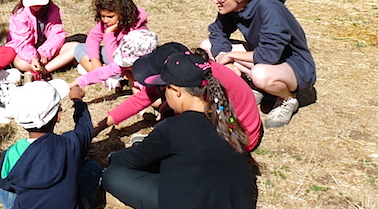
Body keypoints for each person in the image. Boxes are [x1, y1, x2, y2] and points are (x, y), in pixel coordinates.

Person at [102, 52, 257, 209]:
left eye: (164, 88)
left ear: (175, 90)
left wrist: (112, 157)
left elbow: (130, 160)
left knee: (113, 175)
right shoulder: (226, 115)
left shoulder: (172, 129)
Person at [201, 0, 316, 128]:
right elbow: (217, 32)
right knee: (208, 46)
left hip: (295, 66)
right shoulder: (233, 6)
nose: (215, 1)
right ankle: (259, 88)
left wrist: (231, 56)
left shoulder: (269, 8)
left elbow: (269, 55)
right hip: (267, 57)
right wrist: (222, 55)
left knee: (260, 74)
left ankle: (288, 99)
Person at [94, 42, 263, 152]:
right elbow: (141, 99)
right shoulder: (194, 73)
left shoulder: (200, 88)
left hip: (238, 140)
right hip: (239, 130)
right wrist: (99, 127)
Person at [0, 80, 102, 209]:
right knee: (92, 167)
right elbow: (85, 127)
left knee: (0, 173)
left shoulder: (12, 153)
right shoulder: (71, 144)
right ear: (58, 116)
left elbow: (4, 184)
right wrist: (78, 101)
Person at [5, 0, 79, 82]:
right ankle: (50, 66)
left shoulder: (53, 10)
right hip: (26, 53)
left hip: (47, 49)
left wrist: (44, 52)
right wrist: (33, 57)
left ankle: (42, 71)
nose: (37, 4)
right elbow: (21, 42)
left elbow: (57, 34)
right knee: (20, 63)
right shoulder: (19, 15)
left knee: (75, 47)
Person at [71, 0, 149, 89]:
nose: (105, 20)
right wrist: (95, 60)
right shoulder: (107, 22)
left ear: (122, 14)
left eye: (110, 16)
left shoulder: (136, 30)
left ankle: (107, 77)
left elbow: (117, 60)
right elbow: (93, 37)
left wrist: (109, 34)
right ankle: (105, 75)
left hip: (127, 62)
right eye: (103, 16)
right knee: (80, 48)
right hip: (114, 60)